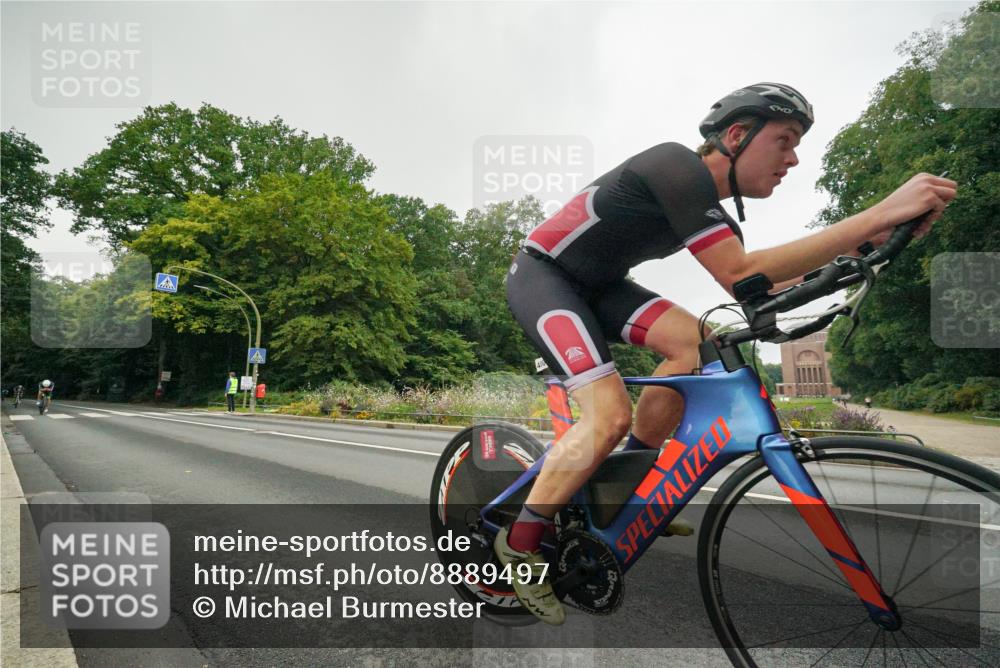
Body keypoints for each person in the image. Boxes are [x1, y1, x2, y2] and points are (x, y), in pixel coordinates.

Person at [501, 82, 958, 624]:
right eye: (785, 140)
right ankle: (519, 545)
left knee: (701, 343)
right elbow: (740, 272)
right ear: (737, 135)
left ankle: (632, 486)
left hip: (600, 286)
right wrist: (882, 211)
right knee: (608, 414)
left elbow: (760, 288)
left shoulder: (709, 211)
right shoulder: (673, 166)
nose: (793, 159)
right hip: (545, 277)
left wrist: (868, 245)